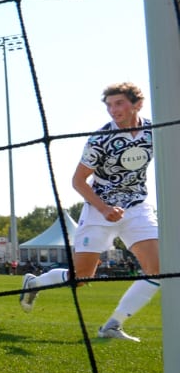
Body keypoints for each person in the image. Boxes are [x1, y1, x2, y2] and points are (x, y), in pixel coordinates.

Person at [19, 82, 158, 342]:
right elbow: (78, 181)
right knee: (81, 278)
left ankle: (113, 325)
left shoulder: (155, 130)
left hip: (138, 209)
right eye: (109, 105)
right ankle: (35, 283)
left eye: (119, 103)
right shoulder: (100, 139)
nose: (113, 110)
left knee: (158, 269)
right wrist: (104, 209)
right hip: (98, 211)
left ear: (137, 104)